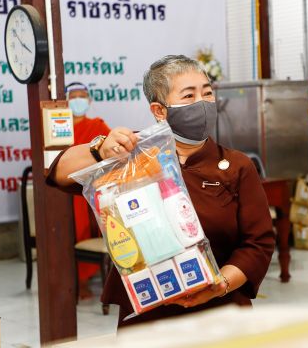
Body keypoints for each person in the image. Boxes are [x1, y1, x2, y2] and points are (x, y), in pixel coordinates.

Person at [48, 56, 275, 327]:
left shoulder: (236, 165)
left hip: (221, 316)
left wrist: (220, 284)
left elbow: (258, 243)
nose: (202, 102)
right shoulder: (131, 154)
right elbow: (57, 173)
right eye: (189, 95)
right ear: (159, 110)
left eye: (207, 93)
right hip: (148, 315)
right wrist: (100, 149)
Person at [66, 82, 111, 299]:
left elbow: (112, 151)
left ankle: (96, 277)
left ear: (89, 100)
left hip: (95, 186)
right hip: (69, 188)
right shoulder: (59, 129)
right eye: (73, 96)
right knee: (74, 220)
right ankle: (79, 280)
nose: (78, 100)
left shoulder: (96, 126)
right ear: (66, 102)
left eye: (82, 96)